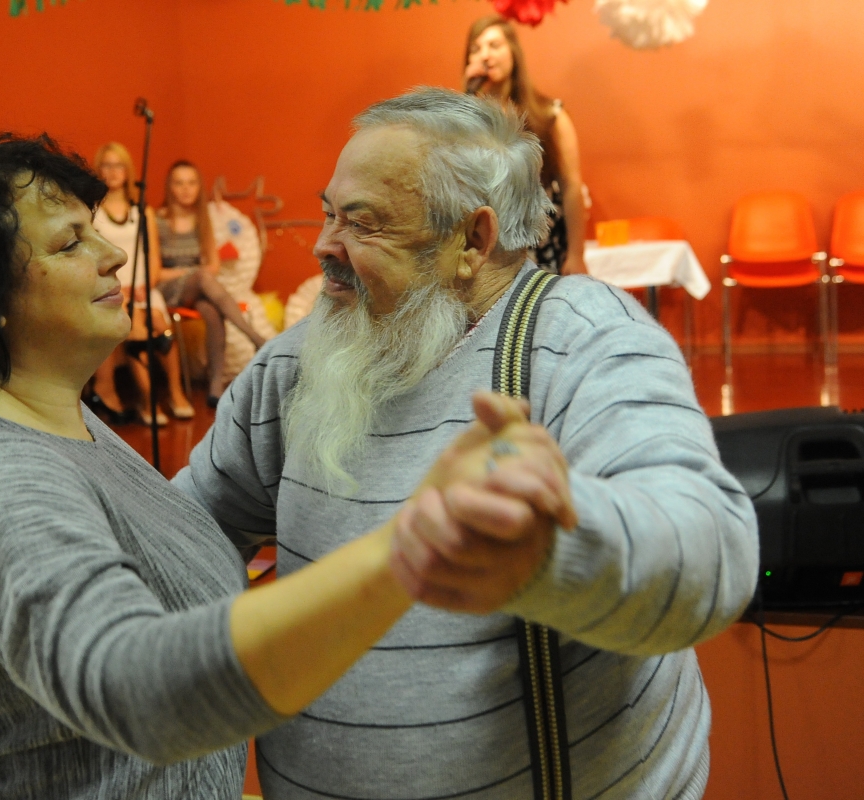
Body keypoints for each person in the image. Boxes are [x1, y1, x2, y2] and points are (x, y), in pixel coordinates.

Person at [0, 132, 568, 799]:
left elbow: (166, 549)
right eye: (70, 243)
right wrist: (408, 547)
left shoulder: (62, 419)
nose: (112, 256)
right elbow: (144, 693)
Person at [174, 89, 758, 799]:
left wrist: (556, 551)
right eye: (329, 213)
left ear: (472, 241)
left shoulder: (582, 335)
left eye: (362, 223)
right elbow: (180, 541)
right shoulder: (298, 363)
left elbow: (714, 550)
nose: (324, 245)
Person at [465, 15, 588, 276]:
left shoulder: (549, 116)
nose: (485, 55)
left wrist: (576, 255)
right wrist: (468, 94)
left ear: (513, 52)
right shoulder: (468, 122)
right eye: (476, 49)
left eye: (494, 45)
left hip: (544, 245)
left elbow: (571, 187)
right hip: (491, 249)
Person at [90, 141, 194, 426]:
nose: (113, 171)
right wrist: (119, 288)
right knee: (136, 321)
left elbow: (154, 258)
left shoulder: (142, 211)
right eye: (106, 166)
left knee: (159, 321)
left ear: (128, 170)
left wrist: (144, 284)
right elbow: (94, 258)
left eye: (118, 165)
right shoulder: (92, 211)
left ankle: (175, 393)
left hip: (144, 286)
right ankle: (147, 400)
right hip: (111, 287)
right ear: (98, 170)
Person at [156, 160, 266, 404]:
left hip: (196, 289)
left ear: (199, 187)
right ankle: (255, 337)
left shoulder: (202, 219)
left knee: (212, 311)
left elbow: (214, 265)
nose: (186, 189)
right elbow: (155, 273)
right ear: (170, 187)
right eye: (179, 183)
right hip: (168, 290)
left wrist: (196, 273)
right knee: (203, 277)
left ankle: (215, 389)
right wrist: (191, 272)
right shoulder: (157, 220)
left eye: (191, 183)